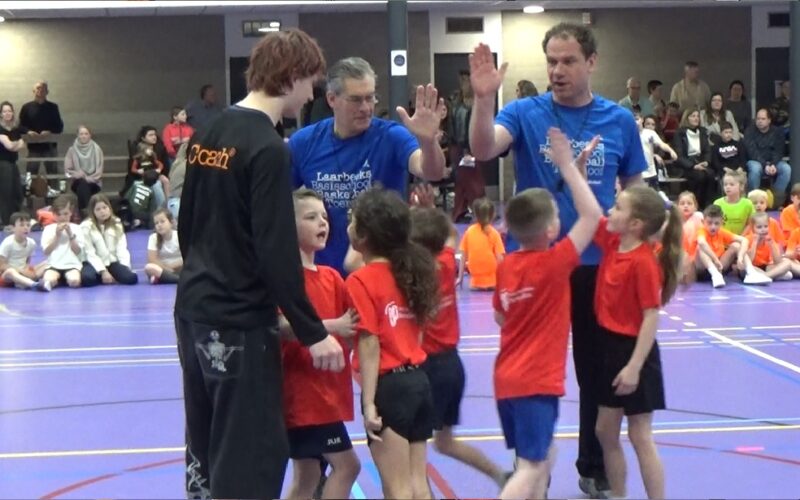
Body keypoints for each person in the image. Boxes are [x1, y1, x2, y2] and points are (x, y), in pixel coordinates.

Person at [468, 22, 647, 498]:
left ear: (592, 62)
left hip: (597, 267)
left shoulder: (619, 120)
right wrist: (484, 100)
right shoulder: (525, 112)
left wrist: (647, 248)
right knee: (530, 371)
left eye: (568, 61)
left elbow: (636, 192)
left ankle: (593, 466)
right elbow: (483, 148)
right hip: (538, 268)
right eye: (551, 61)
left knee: (596, 372)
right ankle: (532, 472)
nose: (558, 70)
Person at [174, 28, 344, 499]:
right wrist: (312, 331)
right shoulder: (268, 148)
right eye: (310, 82)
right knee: (251, 450)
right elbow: (275, 249)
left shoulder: (209, 132)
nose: (311, 94)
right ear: (291, 76)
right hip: (238, 320)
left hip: (193, 310)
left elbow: (188, 223)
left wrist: (203, 276)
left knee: (205, 442)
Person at [493, 128, 602, 499]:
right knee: (532, 468)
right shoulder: (556, 263)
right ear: (553, 228)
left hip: (506, 381)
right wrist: (568, 168)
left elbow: (501, 317)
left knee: (541, 459)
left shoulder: (507, 266)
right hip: (536, 383)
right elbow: (592, 215)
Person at [289, 56, 446, 275]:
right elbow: (283, 202)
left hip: (380, 275)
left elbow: (432, 171)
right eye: (355, 100)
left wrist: (428, 142)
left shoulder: (391, 136)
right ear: (332, 99)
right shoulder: (304, 143)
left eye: (370, 98)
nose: (365, 108)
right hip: (323, 275)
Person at [345, 187, 438, 499]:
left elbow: (369, 343)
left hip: (390, 388)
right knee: (418, 485)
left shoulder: (361, 280)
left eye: (352, 221)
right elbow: (418, 332)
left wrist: (369, 402)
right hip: (419, 382)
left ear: (363, 236)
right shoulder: (411, 273)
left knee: (398, 489)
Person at [592, 186, 683, 500]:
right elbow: (588, 208)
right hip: (608, 347)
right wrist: (576, 171)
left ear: (636, 224)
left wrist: (633, 367)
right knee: (605, 431)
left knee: (640, 434)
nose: (610, 211)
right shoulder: (612, 242)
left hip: (635, 352)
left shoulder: (643, 262)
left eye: (618, 207)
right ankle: (618, 494)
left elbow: (650, 317)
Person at [409, 204, 508, 490]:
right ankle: (500, 475)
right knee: (444, 442)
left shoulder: (412, 275)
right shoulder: (447, 262)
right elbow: (450, 233)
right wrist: (431, 212)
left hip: (428, 367)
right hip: (453, 366)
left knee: (412, 450)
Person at [280, 188, 361, 500]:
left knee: (308, 477)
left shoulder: (331, 277)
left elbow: (351, 326)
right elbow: (281, 327)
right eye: (311, 217)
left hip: (329, 393)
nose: (322, 222)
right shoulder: (286, 278)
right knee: (347, 467)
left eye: (324, 216)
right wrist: (331, 327)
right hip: (305, 397)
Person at [80, 193, 138, 286]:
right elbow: (90, 253)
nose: (102, 211)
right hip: (92, 262)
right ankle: (101, 276)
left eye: (104, 207)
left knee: (131, 278)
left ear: (109, 208)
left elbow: (122, 249)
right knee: (88, 279)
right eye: (98, 209)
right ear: (92, 212)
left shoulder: (117, 224)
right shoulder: (86, 227)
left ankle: (108, 276)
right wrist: (103, 271)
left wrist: (125, 267)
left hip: (111, 262)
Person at [19, 81, 64, 187]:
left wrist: (49, 131)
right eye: (38, 88)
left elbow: (59, 126)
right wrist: (28, 132)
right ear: (33, 91)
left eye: (43, 88)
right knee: (31, 174)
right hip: (33, 147)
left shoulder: (53, 107)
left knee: (52, 174)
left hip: (50, 147)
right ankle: (29, 195)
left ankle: (54, 197)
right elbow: (20, 126)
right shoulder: (26, 107)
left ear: (47, 91)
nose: (40, 90)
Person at [458, 197, 505, 290]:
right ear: (493, 215)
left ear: (475, 215)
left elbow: (463, 257)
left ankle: (478, 284)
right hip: (493, 280)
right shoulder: (494, 233)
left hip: (475, 280)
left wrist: (460, 278)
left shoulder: (469, 231)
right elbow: (500, 258)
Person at [64, 125, 104, 213]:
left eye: (86, 134)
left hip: (94, 182)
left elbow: (99, 172)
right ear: (77, 135)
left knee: (83, 187)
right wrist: (77, 174)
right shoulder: (72, 150)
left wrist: (87, 178)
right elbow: (67, 172)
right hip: (77, 181)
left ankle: (84, 212)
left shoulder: (97, 149)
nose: (84, 136)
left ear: (90, 135)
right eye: (81, 134)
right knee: (82, 185)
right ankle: (88, 212)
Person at [0, 101, 27, 228]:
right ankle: (6, 222)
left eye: (9, 111)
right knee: (6, 193)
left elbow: (22, 144)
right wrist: (16, 143)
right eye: (4, 111)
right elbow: (10, 146)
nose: (7, 113)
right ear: (1, 114)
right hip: (2, 164)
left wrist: (15, 144)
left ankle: (16, 221)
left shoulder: (15, 129)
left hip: (13, 163)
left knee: (17, 192)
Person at [0, 212, 38, 289]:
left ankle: (50, 280)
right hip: (7, 275)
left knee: (47, 264)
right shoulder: (8, 243)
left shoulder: (31, 243)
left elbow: (27, 260)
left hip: (22, 271)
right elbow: (2, 266)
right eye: (22, 225)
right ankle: (34, 284)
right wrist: (21, 271)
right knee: (10, 272)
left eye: (28, 225)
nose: (26, 228)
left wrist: (26, 269)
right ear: (13, 228)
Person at [144, 208, 182, 285]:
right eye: (156, 223)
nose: (159, 225)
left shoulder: (179, 236)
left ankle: (164, 278)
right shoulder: (153, 238)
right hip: (162, 268)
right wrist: (166, 268)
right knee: (148, 267)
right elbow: (152, 260)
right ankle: (178, 279)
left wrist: (170, 267)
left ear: (171, 222)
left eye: (162, 221)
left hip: (178, 267)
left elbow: (186, 257)